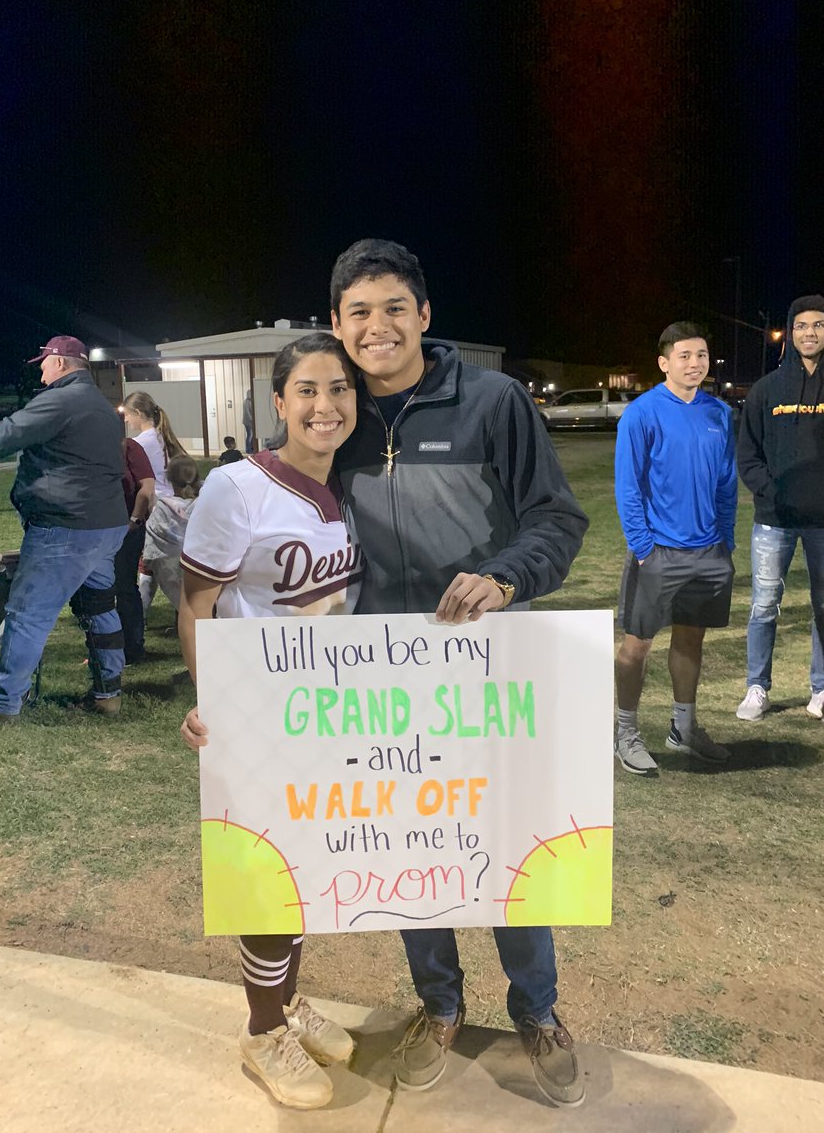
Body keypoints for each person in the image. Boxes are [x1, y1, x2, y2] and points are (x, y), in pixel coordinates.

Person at [329, 239, 589, 1106]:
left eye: (394, 307)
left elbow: (556, 516)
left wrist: (506, 576)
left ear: (425, 316)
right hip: (377, 677)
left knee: (508, 843)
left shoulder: (493, 401)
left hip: (487, 670)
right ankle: (438, 1005)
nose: (378, 326)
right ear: (337, 324)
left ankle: (539, 1008)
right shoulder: (328, 411)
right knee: (409, 849)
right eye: (359, 312)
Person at [179, 333, 364, 1111]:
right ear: (279, 402)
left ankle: (287, 1004)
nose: (326, 406)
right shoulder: (237, 486)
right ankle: (262, 1030)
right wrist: (213, 699)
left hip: (326, 708)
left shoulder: (350, 483)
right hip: (261, 708)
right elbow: (196, 604)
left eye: (340, 390)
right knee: (268, 875)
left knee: (305, 868)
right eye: (309, 391)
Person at [0, 335, 129, 720]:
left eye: (44, 363)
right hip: (107, 525)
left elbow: (7, 434)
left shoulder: (61, 400)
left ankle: (2, 702)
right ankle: (108, 694)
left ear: (62, 363)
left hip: (65, 527)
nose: (41, 371)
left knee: (27, 613)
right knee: (100, 606)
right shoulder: (102, 406)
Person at [613, 322, 737, 774]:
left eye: (702, 355)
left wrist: (726, 541)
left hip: (708, 553)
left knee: (690, 639)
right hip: (659, 551)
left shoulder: (719, 413)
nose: (695, 363)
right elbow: (627, 488)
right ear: (664, 363)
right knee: (636, 646)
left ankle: (683, 727)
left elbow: (726, 483)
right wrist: (644, 548)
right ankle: (625, 733)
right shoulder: (642, 413)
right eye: (685, 356)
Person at [736, 294, 824, 721]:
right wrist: (772, 493)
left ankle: (821, 689)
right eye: (802, 326)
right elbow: (747, 455)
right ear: (790, 334)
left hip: (823, 523)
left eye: (819, 325)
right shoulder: (767, 390)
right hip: (774, 521)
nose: (811, 333)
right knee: (764, 604)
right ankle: (757, 687)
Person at [120, 391, 187, 612]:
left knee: (149, 563)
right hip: (173, 507)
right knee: (163, 564)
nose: (126, 420)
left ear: (138, 413)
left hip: (156, 509)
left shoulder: (140, 443)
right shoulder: (162, 437)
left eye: (128, 415)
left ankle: (141, 614)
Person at [140, 454, 201, 611]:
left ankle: (143, 615)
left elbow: (152, 542)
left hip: (168, 567)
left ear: (169, 478)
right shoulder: (205, 505)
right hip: (199, 566)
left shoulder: (162, 508)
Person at [115, 437, 156, 664]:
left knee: (124, 586)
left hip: (126, 530)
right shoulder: (84, 445)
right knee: (96, 592)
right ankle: (103, 649)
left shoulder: (129, 447)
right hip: (93, 529)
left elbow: (146, 488)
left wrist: (134, 520)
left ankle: (132, 647)